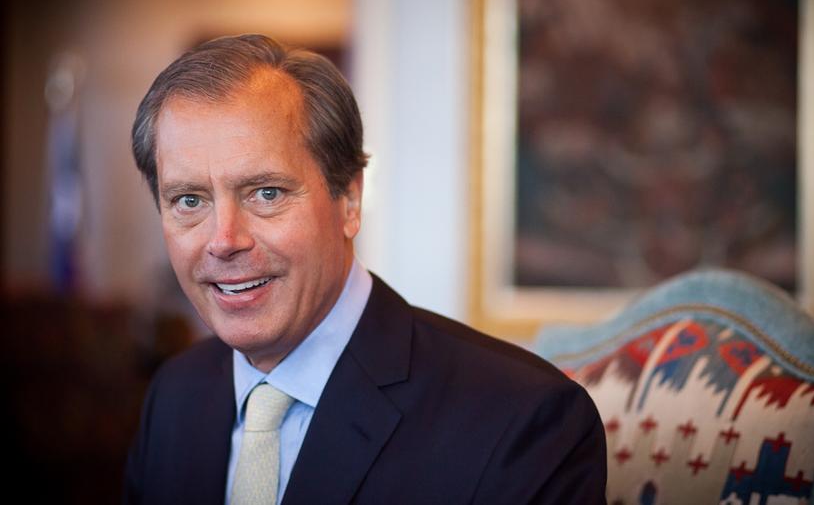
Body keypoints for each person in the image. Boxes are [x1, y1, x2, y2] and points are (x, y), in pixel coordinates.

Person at [122, 34, 606, 505]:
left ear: (349, 200)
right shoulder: (174, 396)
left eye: (266, 193)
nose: (224, 240)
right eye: (188, 200)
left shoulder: (522, 420)